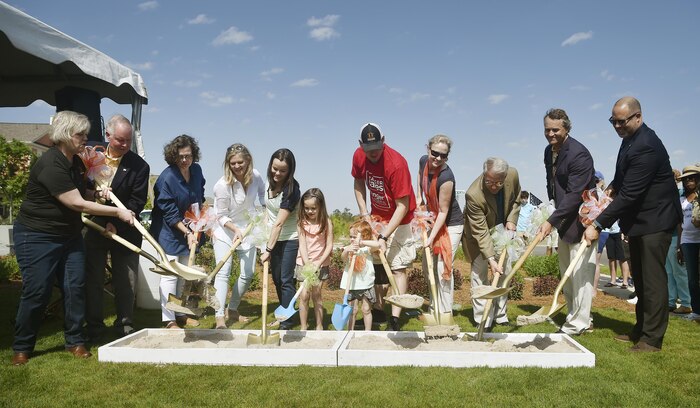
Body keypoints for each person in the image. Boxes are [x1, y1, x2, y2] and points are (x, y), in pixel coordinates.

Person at [11, 111, 135, 365]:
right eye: (81, 134)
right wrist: (117, 211)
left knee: (75, 288)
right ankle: (22, 346)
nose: (85, 139)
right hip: (37, 236)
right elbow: (76, 203)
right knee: (37, 291)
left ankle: (75, 341)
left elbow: (84, 195)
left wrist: (98, 192)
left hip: (69, 235)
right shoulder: (50, 164)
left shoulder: (76, 163)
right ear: (66, 135)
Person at [585, 97, 682, 352]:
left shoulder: (646, 145)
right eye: (613, 121)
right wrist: (608, 192)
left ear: (638, 117)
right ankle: (640, 329)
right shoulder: (629, 141)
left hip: (656, 220)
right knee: (640, 278)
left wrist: (598, 223)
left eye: (621, 121)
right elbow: (622, 180)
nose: (617, 126)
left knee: (652, 280)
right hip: (640, 221)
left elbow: (631, 194)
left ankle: (652, 339)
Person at [84, 114, 150, 339]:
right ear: (108, 135)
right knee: (93, 278)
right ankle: (94, 325)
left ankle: (124, 324)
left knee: (126, 281)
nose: (124, 145)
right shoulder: (90, 157)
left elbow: (137, 201)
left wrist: (116, 225)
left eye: (128, 141)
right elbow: (80, 188)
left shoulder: (139, 166)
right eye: (120, 140)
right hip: (93, 226)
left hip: (125, 229)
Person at [352, 123, 417, 331]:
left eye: (377, 148)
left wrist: (385, 236)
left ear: (384, 140)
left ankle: (396, 317)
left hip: (401, 218)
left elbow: (403, 205)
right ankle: (379, 310)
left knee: (397, 266)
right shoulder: (359, 156)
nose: (372, 153)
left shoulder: (396, 164)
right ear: (361, 145)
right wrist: (365, 214)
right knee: (378, 266)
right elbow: (359, 182)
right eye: (368, 149)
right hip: (377, 216)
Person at [538, 108, 596, 336]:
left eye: (555, 130)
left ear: (567, 128)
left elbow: (574, 194)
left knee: (580, 273)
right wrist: (554, 212)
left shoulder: (579, 154)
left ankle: (579, 323)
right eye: (547, 130)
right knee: (567, 273)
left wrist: (551, 220)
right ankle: (576, 315)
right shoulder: (548, 151)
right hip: (563, 218)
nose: (551, 134)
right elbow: (552, 184)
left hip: (582, 221)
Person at [150, 135, 206, 329]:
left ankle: (180, 313)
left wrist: (198, 225)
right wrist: (187, 231)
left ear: (193, 155)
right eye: (181, 156)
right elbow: (169, 212)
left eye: (188, 156)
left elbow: (199, 196)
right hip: (168, 232)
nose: (185, 160)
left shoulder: (196, 171)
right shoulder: (166, 178)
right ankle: (169, 319)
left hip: (190, 228)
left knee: (184, 273)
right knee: (170, 275)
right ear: (173, 156)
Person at [462, 157, 521, 330]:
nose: (493, 186)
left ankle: (500, 315)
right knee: (480, 275)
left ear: (505, 177)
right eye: (489, 181)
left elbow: (517, 198)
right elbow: (480, 232)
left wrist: (512, 220)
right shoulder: (473, 194)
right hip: (479, 235)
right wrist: (491, 259)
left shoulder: (513, 175)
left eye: (498, 182)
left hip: (504, 232)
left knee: (504, 273)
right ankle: (483, 318)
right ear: (484, 174)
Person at [211, 143, 265, 329]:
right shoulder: (222, 186)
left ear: (248, 160)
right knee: (224, 273)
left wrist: (264, 210)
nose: (236, 166)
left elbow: (262, 195)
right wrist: (234, 229)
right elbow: (220, 215)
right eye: (232, 163)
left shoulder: (256, 176)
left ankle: (232, 308)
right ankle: (219, 317)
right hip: (225, 230)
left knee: (248, 273)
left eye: (240, 162)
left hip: (248, 229)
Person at [415, 134, 463, 315]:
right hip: (432, 218)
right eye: (435, 153)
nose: (438, 158)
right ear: (428, 149)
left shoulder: (446, 177)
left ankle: (445, 311)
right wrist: (419, 197)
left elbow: (443, 211)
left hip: (451, 224)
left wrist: (431, 238)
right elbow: (420, 176)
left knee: (442, 266)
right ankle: (434, 305)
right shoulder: (423, 161)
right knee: (429, 267)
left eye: (443, 156)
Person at [260, 148, 301, 331]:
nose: (277, 173)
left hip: (289, 239)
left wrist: (268, 250)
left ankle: (287, 320)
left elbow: (278, 224)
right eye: (274, 168)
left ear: (290, 171)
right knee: (277, 279)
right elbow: (267, 215)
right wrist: (264, 241)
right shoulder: (269, 184)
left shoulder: (292, 190)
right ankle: (286, 311)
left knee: (285, 279)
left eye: (282, 171)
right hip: (272, 239)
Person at [295, 188, 334, 330]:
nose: (309, 211)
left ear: (320, 207)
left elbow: (329, 245)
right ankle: (303, 327)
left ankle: (319, 326)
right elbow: (302, 245)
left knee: (317, 294)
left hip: (320, 264)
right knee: (304, 295)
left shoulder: (326, 223)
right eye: (306, 208)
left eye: (313, 208)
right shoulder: (301, 223)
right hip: (304, 263)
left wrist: (318, 263)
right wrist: (307, 264)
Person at [341, 220, 380, 331]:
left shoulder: (366, 249)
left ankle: (367, 332)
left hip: (365, 284)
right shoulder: (349, 248)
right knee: (352, 310)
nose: (352, 239)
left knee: (366, 309)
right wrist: (346, 250)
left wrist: (363, 242)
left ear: (364, 237)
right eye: (351, 237)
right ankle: (350, 331)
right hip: (352, 285)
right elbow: (343, 259)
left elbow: (378, 245)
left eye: (355, 237)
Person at [666, 169, 692, 315]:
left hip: (677, 236)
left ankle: (686, 302)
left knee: (679, 270)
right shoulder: (666, 192)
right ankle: (670, 301)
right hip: (667, 235)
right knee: (668, 271)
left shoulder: (681, 193)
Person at [678, 164, 700, 321]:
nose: (688, 182)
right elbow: (679, 223)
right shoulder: (681, 199)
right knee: (692, 278)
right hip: (687, 240)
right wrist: (679, 245)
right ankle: (696, 312)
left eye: (691, 178)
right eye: (685, 179)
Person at [592, 171, 609, 293]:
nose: (595, 183)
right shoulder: (591, 193)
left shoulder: (603, 196)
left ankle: (593, 290)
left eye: (596, 181)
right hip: (592, 228)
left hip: (600, 230)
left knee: (595, 261)